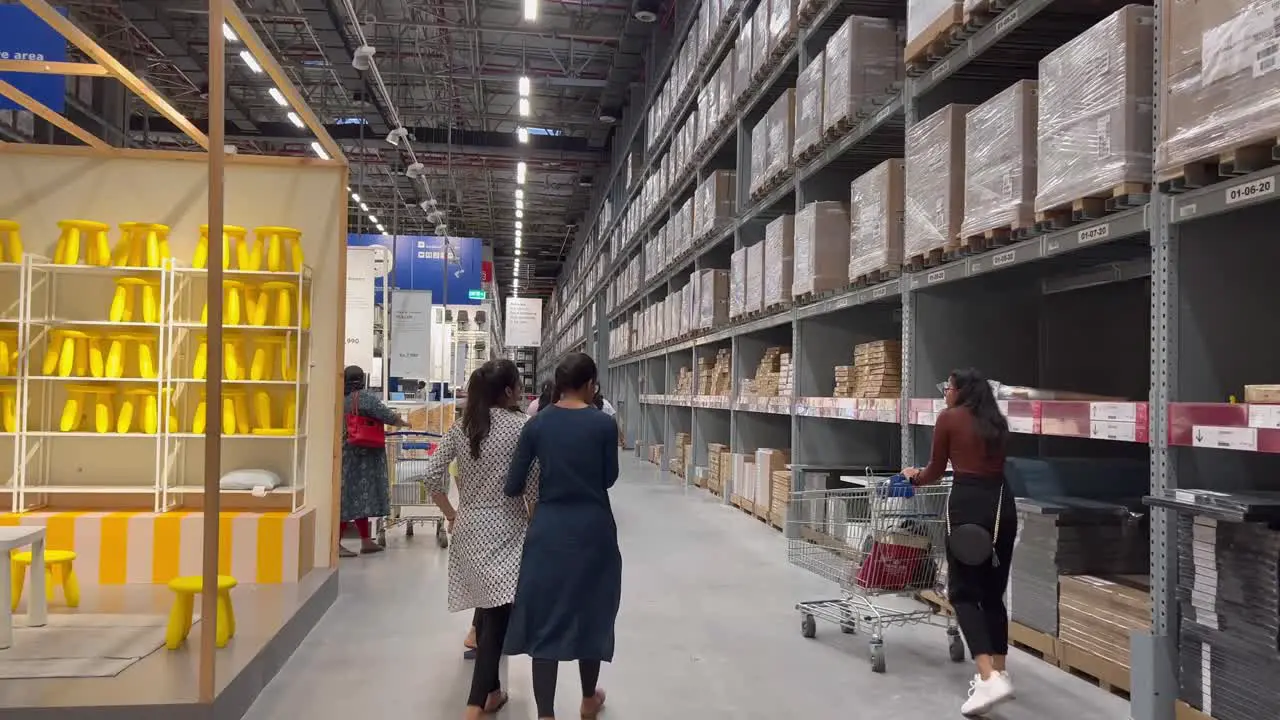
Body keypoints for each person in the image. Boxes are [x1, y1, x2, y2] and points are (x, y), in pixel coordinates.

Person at [503, 352, 620, 720]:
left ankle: (546, 715)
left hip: (548, 531)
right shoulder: (603, 425)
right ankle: (588, 699)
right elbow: (608, 478)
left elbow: (513, 484)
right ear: (589, 385)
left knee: (546, 620)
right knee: (592, 611)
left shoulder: (536, 425)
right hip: (594, 530)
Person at [419, 359, 537, 718]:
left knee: (489, 610)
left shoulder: (464, 427)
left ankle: (492, 692)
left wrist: (451, 515)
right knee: (497, 618)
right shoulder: (523, 428)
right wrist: (535, 522)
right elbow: (532, 486)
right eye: (517, 385)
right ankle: (473, 705)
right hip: (508, 527)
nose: (520, 391)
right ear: (507, 391)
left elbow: (431, 476)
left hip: (470, 527)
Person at [902, 368, 1016, 717]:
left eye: (948, 388)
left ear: (961, 392)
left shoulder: (949, 419)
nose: (945, 393)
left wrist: (914, 477)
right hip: (1001, 505)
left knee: (963, 594)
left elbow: (936, 468)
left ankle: (987, 678)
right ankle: (999, 671)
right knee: (993, 594)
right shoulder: (996, 422)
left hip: (967, 504)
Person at [340, 365, 408, 558]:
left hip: (346, 452)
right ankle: (335, 543)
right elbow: (386, 415)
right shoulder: (363, 397)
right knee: (356, 497)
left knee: (353, 496)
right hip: (364, 454)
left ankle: (365, 540)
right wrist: (402, 422)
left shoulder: (339, 398)